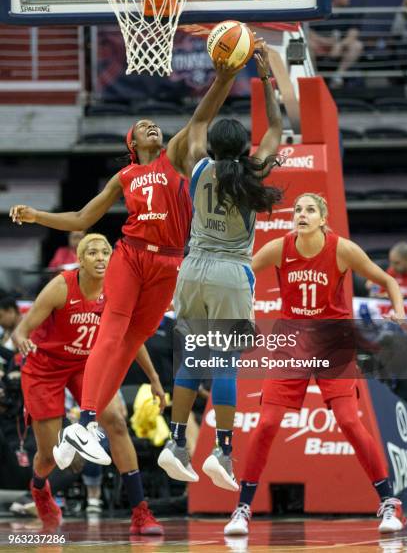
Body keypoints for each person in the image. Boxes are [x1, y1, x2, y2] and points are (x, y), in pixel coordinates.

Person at [10, 58, 241, 468]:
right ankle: (87, 422)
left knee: (131, 342)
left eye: (155, 123)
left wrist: (224, 77)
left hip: (170, 264)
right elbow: (83, 219)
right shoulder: (126, 176)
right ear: (131, 143)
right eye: (142, 125)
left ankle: (78, 433)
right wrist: (38, 216)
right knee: (112, 333)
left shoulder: (173, 158)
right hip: (131, 255)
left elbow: (202, 115)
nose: (152, 126)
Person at [224, 193, 407, 535]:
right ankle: (243, 509)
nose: (301, 214)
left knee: (349, 422)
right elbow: (243, 273)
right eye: (297, 209)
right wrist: (245, 307)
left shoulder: (342, 249)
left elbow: (389, 281)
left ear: (323, 218)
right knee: (266, 424)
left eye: (310, 210)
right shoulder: (281, 247)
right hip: (291, 341)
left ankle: (389, 503)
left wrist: (397, 308)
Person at [157, 43, 283, 492]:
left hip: (191, 268)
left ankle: (175, 444)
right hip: (230, 271)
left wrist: (221, 77)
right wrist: (266, 77)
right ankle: (223, 452)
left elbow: (199, 122)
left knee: (192, 357)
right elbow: (279, 129)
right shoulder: (253, 174)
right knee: (224, 362)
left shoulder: (198, 164)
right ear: (244, 147)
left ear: (212, 145)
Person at [12, 233, 166, 534]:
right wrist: (22, 343)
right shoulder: (60, 286)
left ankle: (140, 512)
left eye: (106, 252)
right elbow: (22, 330)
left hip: (87, 366)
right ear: (79, 260)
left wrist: (155, 379)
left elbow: (132, 339)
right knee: (50, 453)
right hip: (47, 367)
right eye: (92, 252)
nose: (100, 257)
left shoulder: (118, 291)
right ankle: (40, 489)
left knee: (116, 423)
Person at [308, 0, 363, 88]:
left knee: (357, 45)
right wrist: (325, 42)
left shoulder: (351, 12)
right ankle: (313, 76)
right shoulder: (320, 11)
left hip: (340, 48)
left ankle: (338, 75)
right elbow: (309, 32)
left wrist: (339, 45)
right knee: (309, 44)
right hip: (321, 45)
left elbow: (353, 35)